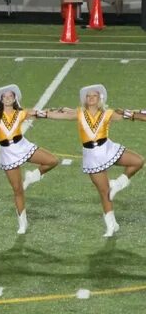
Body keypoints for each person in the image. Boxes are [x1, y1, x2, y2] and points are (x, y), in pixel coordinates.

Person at [46, 84, 144, 237]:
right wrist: (36, 114)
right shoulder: (78, 113)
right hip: (91, 155)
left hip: (107, 149)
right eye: (88, 96)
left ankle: (118, 183)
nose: (91, 98)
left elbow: (129, 115)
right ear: (85, 99)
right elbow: (57, 115)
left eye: (94, 96)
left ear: (100, 99)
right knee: (104, 192)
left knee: (138, 161)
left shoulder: (108, 113)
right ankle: (111, 225)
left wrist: (140, 115)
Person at [0, 84, 59, 235]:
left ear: (15, 98)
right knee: (18, 190)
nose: (8, 99)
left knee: (52, 161)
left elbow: (44, 113)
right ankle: (22, 222)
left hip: (22, 146)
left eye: (10, 96)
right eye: (5, 96)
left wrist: (66, 113)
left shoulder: (22, 113)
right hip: (8, 153)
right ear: (1, 99)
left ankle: (33, 175)